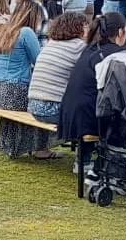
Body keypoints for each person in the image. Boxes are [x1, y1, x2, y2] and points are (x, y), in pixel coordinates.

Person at [24, 11, 90, 157]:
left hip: (34, 106)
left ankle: (41, 149)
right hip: (53, 109)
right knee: (90, 113)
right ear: (78, 27)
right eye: (86, 26)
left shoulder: (51, 44)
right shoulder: (79, 46)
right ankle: (84, 160)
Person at [59, 13, 126, 145]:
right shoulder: (114, 54)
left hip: (70, 114)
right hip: (89, 118)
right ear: (120, 32)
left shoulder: (90, 49)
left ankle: (87, 158)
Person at [0, 2, 47, 158]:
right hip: (15, 89)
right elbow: (39, 61)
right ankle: (41, 148)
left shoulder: (5, 30)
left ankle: (12, 145)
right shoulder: (27, 33)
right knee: (43, 103)